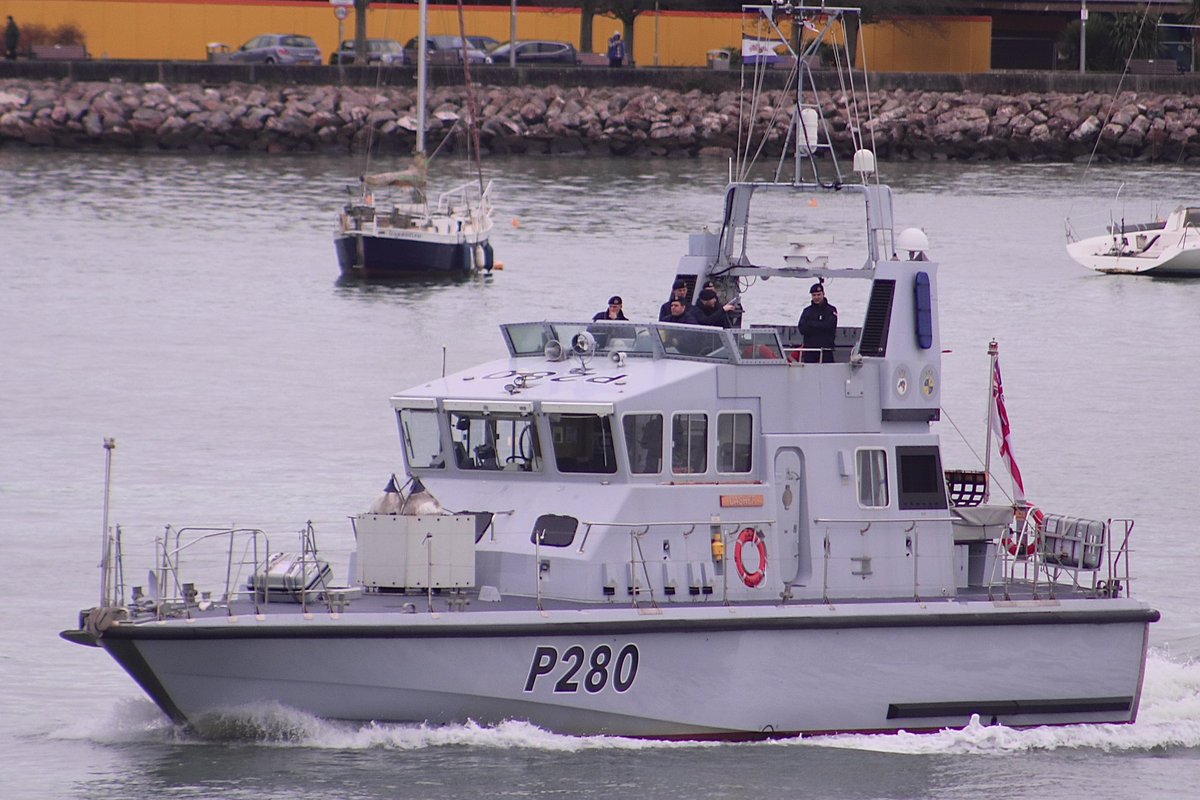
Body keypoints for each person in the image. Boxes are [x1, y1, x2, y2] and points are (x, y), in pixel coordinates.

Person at [797, 282, 837, 363]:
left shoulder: (831, 310)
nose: (816, 297)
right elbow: (802, 329)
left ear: (823, 294)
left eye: (818, 294)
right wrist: (820, 325)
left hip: (826, 351)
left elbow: (830, 327)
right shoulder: (807, 311)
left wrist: (811, 324)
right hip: (810, 351)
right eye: (814, 295)